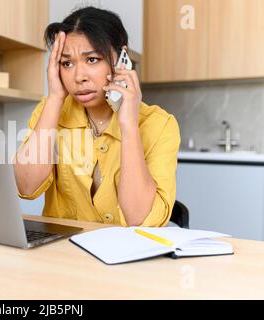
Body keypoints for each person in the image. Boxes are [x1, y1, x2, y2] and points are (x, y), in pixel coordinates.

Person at [13, 6, 181, 227]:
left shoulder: (160, 125)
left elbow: (140, 220)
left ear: (122, 59)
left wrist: (129, 124)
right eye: (67, 63)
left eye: (92, 59)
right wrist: (55, 97)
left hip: (127, 255)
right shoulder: (51, 110)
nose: (79, 76)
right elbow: (26, 186)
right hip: (63, 253)